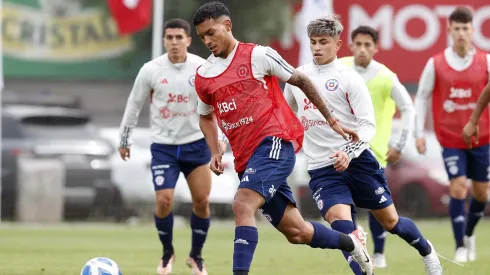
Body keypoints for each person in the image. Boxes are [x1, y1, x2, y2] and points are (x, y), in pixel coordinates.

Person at [192, 2, 373, 275]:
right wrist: (214, 151)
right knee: (297, 232)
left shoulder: (259, 56)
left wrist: (332, 120)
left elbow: (301, 80)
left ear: (227, 26)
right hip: (246, 159)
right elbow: (205, 116)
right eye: (202, 36)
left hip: (274, 143)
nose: (207, 40)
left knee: (242, 204)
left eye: (211, 32)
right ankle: (351, 242)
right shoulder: (204, 75)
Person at [284, 15, 442, 275]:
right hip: (323, 168)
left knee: (391, 222)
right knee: (342, 227)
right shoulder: (298, 78)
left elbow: (368, 126)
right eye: (313, 42)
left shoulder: (349, 78)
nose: (317, 48)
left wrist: (348, 151)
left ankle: (427, 251)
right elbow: (285, 117)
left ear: (337, 44)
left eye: (323, 42)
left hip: (359, 163)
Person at [118, 18, 225, 275]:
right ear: (164, 40)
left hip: (195, 144)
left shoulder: (203, 67)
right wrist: (125, 138)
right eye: (170, 38)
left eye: (179, 37)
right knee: (164, 200)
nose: (174, 42)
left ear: (188, 40)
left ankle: (196, 257)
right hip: (164, 146)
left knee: (201, 201)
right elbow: (134, 104)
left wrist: (220, 139)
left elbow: (218, 105)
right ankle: (167, 253)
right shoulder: (151, 70)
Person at [414, 6, 490, 263]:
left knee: (482, 194)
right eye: (456, 28)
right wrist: (419, 134)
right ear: (449, 31)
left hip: (483, 138)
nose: (461, 33)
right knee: (458, 188)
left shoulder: (486, 60)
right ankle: (459, 245)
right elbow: (422, 97)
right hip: (450, 138)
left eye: (465, 28)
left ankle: (469, 233)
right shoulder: (435, 63)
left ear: (472, 30)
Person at [339, 25, 416, 268]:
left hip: (374, 153)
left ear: (375, 48)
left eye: (367, 45)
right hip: (341, 150)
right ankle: (355, 247)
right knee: (343, 201)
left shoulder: (385, 76)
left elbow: (408, 108)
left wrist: (400, 144)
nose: (362, 49)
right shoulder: (339, 68)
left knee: (377, 205)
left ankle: (380, 253)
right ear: (351, 46)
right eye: (358, 44)